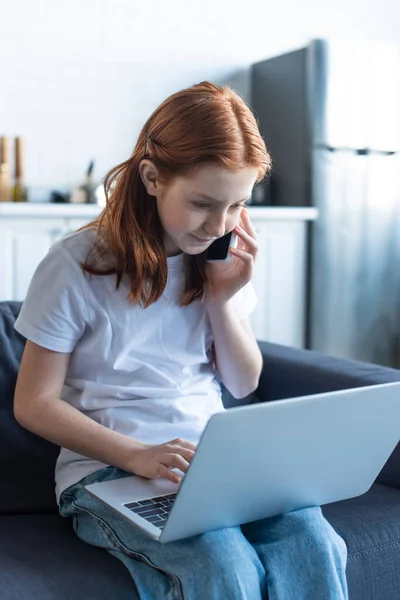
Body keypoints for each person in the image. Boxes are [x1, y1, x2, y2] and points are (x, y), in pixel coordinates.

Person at [13, 81, 348, 600]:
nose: (219, 225)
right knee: (222, 563)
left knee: (313, 542)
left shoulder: (219, 260)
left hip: (213, 466)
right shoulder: (76, 264)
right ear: (151, 177)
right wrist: (138, 455)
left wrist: (221, 299)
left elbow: (242, 380)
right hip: (107, 474)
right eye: (202, 203)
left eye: (238, 205)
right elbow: (33, 404)